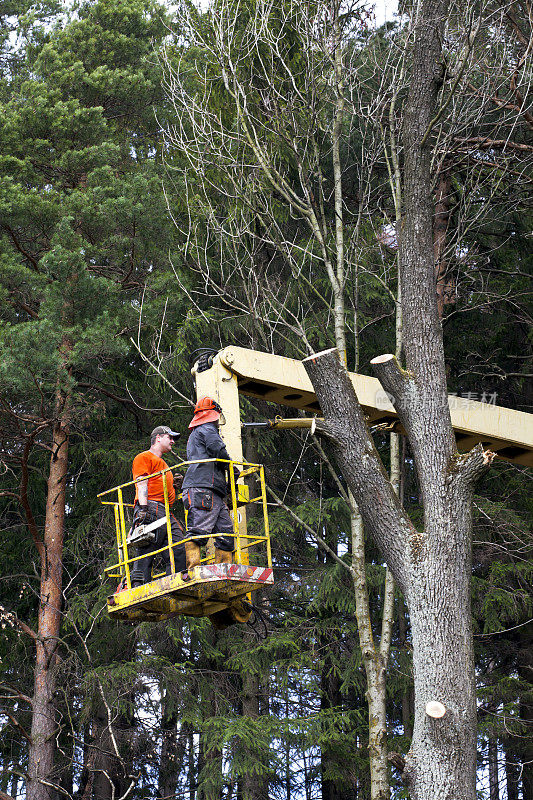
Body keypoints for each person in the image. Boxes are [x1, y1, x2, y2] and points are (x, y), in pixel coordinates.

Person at [181, 397, 238, 570]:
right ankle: (193, 568)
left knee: (226, 531)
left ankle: (223, 568)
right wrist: (229, 465)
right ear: (215, 415)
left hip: (212, 489)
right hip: (203, 486)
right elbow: (217, 449)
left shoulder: (196, 433)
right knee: (199, 529)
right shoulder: (207, 429)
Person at [130, 425, 186, 586]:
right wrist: (143, 510)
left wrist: (173, 487)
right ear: (159, 438)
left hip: (164, 511)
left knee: (178, 548)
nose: (173, 441)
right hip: (150, 508)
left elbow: (157, 486)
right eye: (170, 437)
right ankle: (138, 588)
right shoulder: (144, 457)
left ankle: (175, 584)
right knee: (146, 550)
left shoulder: (164, 466)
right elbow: (142, 484)